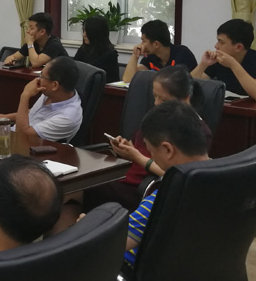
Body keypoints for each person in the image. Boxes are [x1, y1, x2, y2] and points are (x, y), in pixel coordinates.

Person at [83, 65, 212, 212]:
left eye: (163, 99)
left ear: (185, 98)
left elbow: (179, 174)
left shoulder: (196, 131)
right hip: (126, 174)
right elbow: (142, 147)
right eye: (155, 96)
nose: (156, 103)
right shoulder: (158, 117)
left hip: (143, 186)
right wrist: (127, 149)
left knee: (80, 188)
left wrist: (137, 157)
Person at [121, 100, 209, 266]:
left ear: (167, 149)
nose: (151, 156)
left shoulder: (164, 199)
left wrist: (88, 228)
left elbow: (110, 246)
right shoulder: (232, 180)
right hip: (201, 272)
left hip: (131, 270)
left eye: (150, 150)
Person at [0, 56, 82, 142]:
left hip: (29, 148)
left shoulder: (67, 118)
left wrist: (25, 96)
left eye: (42, 76)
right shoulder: (51, 93)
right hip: (14, 134)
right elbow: (31, 113)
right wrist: (5, 118)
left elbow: (22, 136)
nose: (37, 79)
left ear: (54, 85)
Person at [191, 18, 256, 103]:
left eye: (221, 42)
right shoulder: (219, 61)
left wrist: (233, 64)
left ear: (238, 47)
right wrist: (203, 64)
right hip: (235, 110)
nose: (216, 46)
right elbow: (188, 87)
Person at [122, 19, 196, 83]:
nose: (141, 45)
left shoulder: (182, 54)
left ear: (156, 44)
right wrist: (135, 55)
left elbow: (174, 84)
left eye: (143, 41)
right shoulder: (151, 56)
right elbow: (128, 79)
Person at [2, 12, 68, 68]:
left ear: (42, 32)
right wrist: (10, 59)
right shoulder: (34, 42)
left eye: (31, 28)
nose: (27, 31)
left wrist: (30, 43)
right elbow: (14, 56)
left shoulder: (54, 44)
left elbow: (35, 63)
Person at [74, 15, 119, 82]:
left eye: (87, 31)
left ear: (96, 33)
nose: (84, 35)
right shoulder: (84, 49)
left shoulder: (109, 54)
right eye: (83, 30)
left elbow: (89, 71)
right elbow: (73, 68)